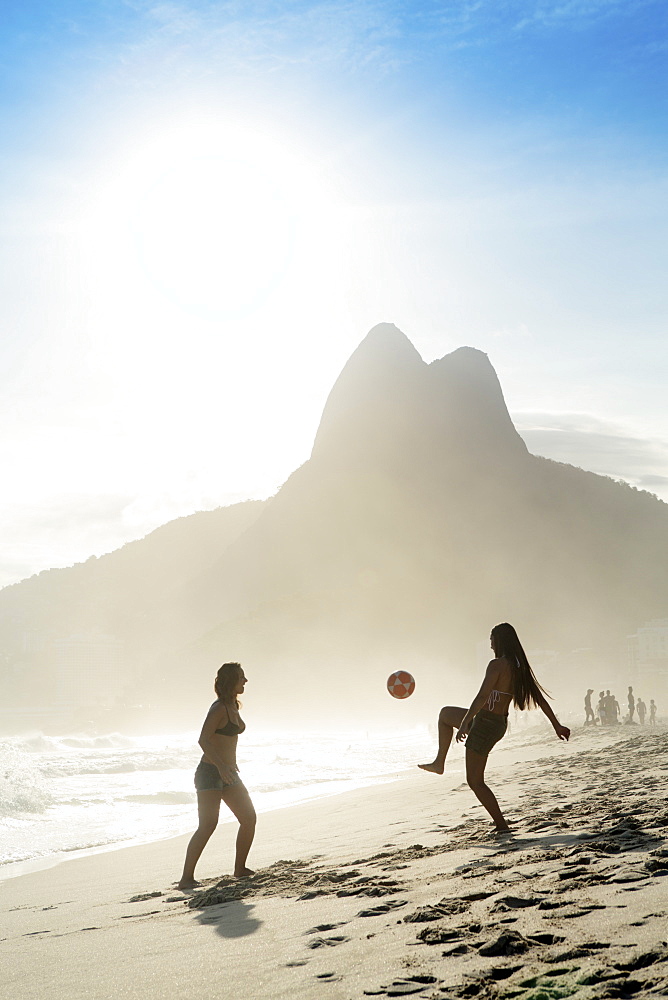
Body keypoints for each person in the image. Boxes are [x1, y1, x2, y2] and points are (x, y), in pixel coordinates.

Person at [418, 623, 570, 832]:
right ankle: (439, 763)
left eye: (491, 639)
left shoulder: (497, 665)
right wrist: (557, 726)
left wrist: (464, 724)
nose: (490, 644)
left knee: (475, 781)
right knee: (445, 714)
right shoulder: (519, 668)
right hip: (495, 722)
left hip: (485, 724)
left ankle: (501, 825)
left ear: (499, 640)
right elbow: (540, 700)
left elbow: (482, 697)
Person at [178, 662, 256, 891]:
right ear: (231, 680)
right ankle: (186, 878)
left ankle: (240, 869)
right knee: (208, 825)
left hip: (228, 772)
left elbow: (227, 741)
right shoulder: (219, 708)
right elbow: (203, 739)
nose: (245, 681)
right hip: (210, 773)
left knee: (249, 818)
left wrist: (229, 764)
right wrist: (221, 765)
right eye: (242, 677)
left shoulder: (234, 706)